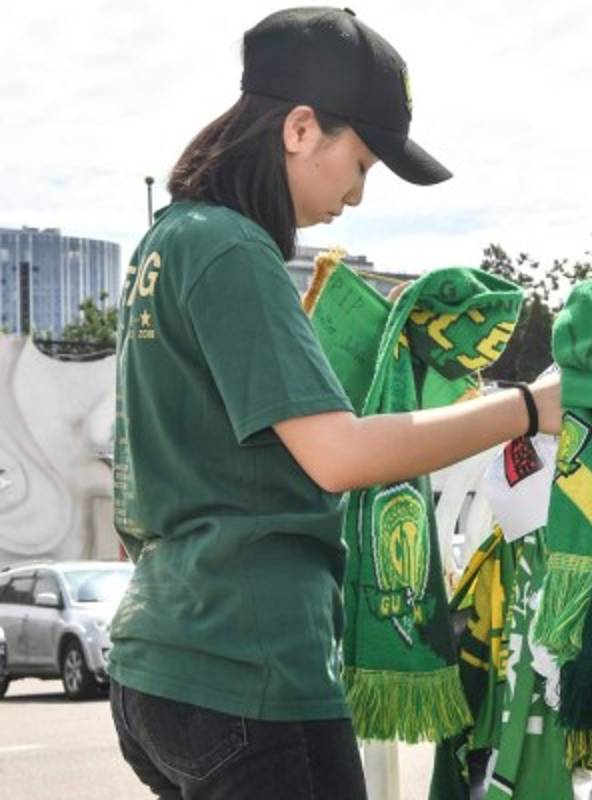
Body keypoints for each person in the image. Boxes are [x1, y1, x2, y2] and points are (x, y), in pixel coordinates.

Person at [106, 8, 562, 798]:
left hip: (160, 664)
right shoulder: (233, 248)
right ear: (300, 128)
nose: (355, 195)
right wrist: (528, 406)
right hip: (248, 673)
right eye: (360, 164)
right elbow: (339, 455)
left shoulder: (168, 241)